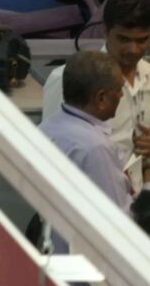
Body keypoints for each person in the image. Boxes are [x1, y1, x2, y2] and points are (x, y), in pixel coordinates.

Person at [39, 0, 150, 194]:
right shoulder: (67, 77)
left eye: (142, 40)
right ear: (105, 31)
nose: (133, 49)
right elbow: (51, 149)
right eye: (124, 39)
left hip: (140, 201)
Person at [39, 50, 130, 243]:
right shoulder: (95, 148)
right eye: (119, 89)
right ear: (101, 98)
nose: (122, 95)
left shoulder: (47, 128)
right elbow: (119, 222)